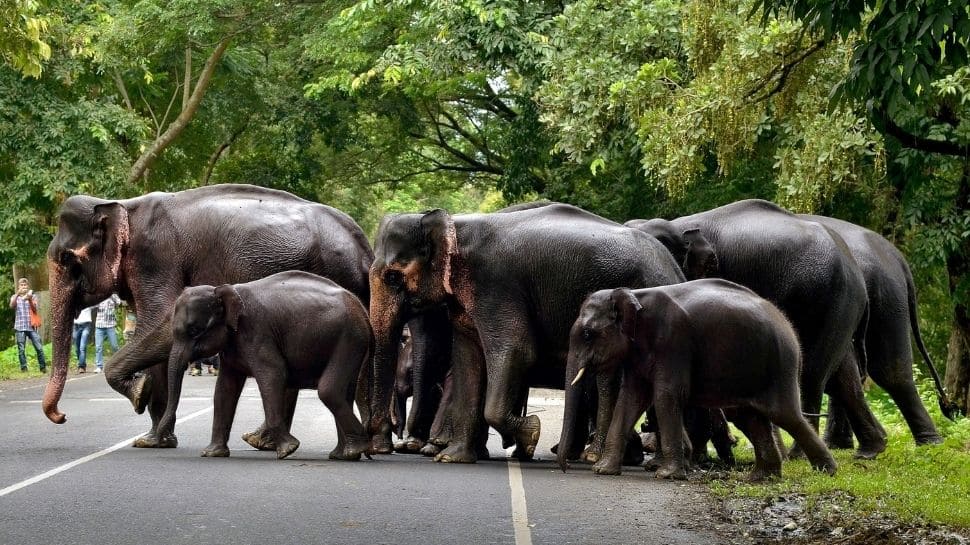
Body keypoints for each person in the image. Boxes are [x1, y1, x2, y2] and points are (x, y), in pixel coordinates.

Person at [9, 278, 47, 373]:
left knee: (39, 347)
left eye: (25, 285)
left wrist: (29, 299)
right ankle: (24, 369)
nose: (24, 287)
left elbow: (35, 309)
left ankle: (43, 368)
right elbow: (12, 306)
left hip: (31, 327)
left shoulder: (33, 296)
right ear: (19, 287)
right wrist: (18, 293)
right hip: (20, 327)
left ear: (28, 286)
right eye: (22, 285)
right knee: (21, 349)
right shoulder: (14, 297)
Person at [94, 293, 122, 373]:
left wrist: (111, 296)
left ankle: (117, 364)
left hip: (110, 325)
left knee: (114, 346)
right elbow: (94, 305)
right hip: (99, 325)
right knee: (98, 347)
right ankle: (99, 366)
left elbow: (119, 303)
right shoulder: (99, 295)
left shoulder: (113, 295)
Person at [72, 305, 95, 373]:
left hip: (86, 325)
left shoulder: (89, 301)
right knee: (77, 349)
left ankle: (81, 366)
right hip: (76, 326)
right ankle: (83, 364)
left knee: (82, 347)